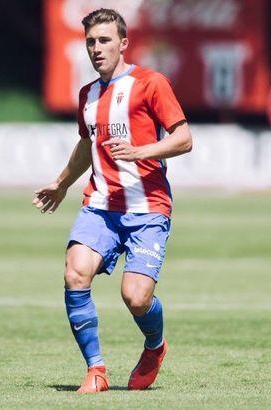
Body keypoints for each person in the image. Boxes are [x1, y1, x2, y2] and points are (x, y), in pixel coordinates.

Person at [32, 8, 193, 394]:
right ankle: (96, 370)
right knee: (75, 273)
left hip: (148, 207)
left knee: (135, 297)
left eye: (104, 40)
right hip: (101, 206)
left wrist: (141, 152)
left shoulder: (150, 83)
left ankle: (155, 346)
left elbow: (184, 138)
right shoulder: (87, 95)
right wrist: (61, 183)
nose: (96, 48)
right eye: (90, 41)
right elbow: (86, 145)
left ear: (123, 43)